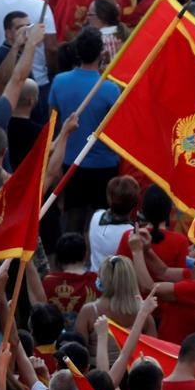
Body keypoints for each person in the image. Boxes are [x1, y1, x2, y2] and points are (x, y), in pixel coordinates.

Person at [48, 26, 122, 234]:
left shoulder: (59, 82)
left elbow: (52, 124)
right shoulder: (109, 88)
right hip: (103, 165)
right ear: (101, 53)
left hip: (70, 163)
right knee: (101, 225)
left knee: (72, 222)